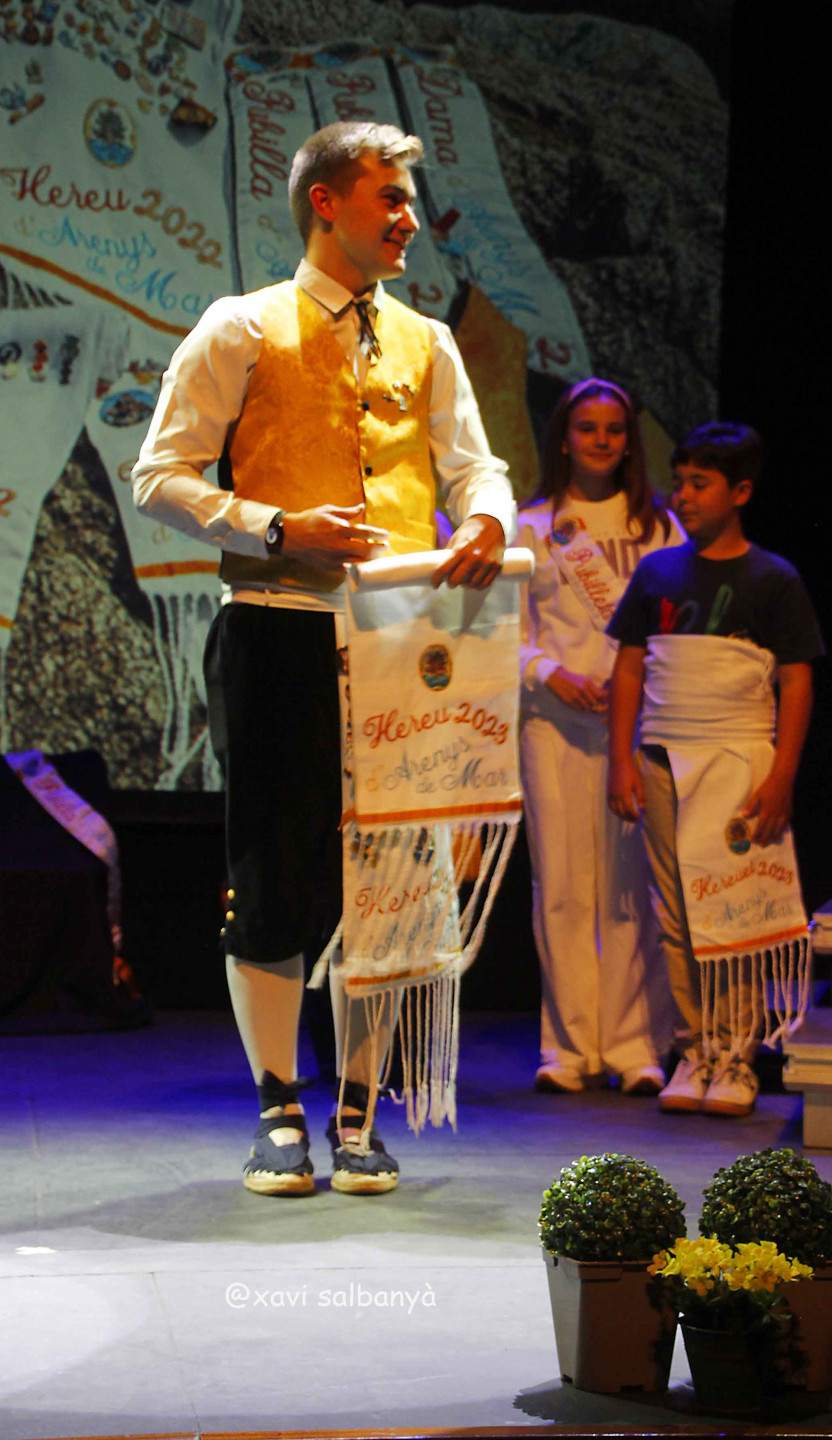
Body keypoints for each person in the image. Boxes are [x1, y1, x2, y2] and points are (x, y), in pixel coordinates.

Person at [132, 121, 514, 1195]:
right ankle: (276, 1108)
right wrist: (273, 525)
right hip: (278, 624)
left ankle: (358, 1111)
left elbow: (475, 466)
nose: (408, 219)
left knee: (389, 877)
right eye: (388, 198)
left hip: (398, 636)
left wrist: (487, 519)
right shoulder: (242, 325)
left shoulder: (427, 341)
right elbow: (158, 475)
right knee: (273, 872)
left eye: (408, 200)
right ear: (325, 203)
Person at [607, 422, 823, 1117]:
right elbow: (630, 667)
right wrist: (621, 760)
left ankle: (737, 1054)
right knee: (677, 915)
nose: (684, 496)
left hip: (738, 764)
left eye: (700, 484)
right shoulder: (656, 573)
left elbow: (795, 680)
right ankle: (694, 1048)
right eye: (680, 482)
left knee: (733, 906)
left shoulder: (774, 578)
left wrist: (781, 775)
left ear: (742, 492)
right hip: (665, 761)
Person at [517, 378, 680, 1096]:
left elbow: (677, 624)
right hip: (551, 723)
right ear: (563, 438)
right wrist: (548, 673)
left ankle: (635, 1045)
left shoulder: (659, 529)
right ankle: (568, 1048)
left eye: (615, 429)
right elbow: (502, 632)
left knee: (630, 888)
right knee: (559, 886)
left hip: (635, 727)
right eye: (588, 428)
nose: (602, 440)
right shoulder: (530, 526)